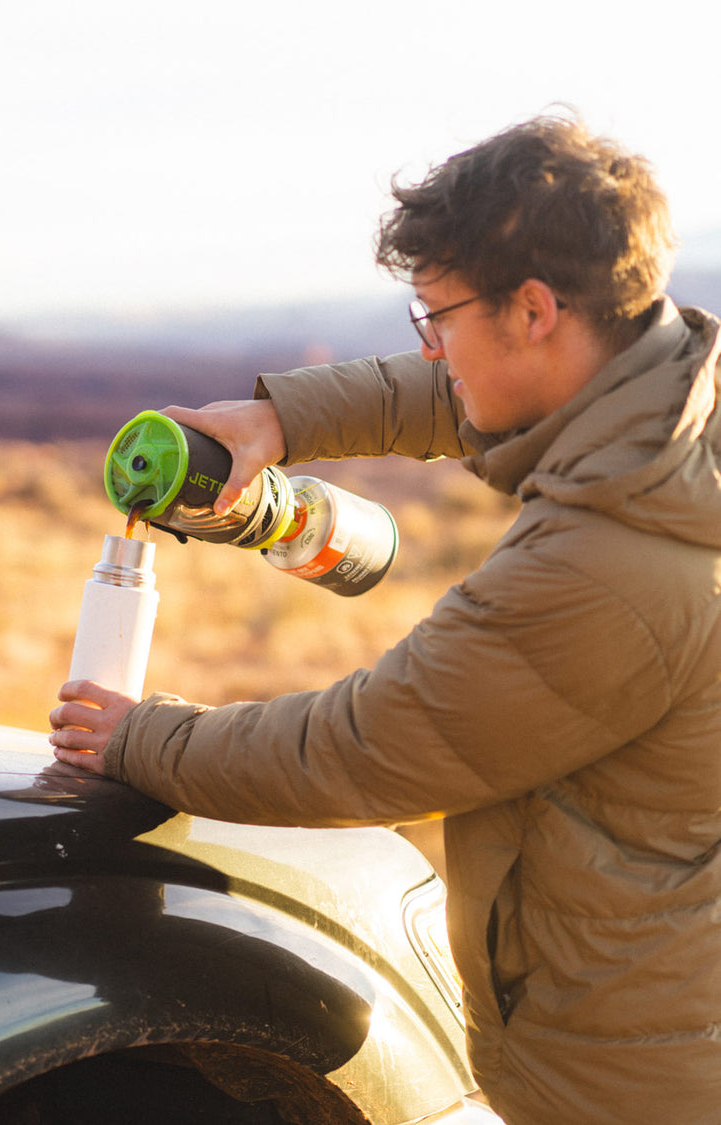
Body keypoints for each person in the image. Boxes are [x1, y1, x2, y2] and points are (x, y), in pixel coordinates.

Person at [49, 114, 721, 1124]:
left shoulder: (604, 571)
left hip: (623, 1080)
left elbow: (367, 750)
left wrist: (145, 739)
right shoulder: (676, 407)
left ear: (535, 309)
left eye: (436, 317)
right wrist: (283, 419)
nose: (432, 348)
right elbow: (463, 393)